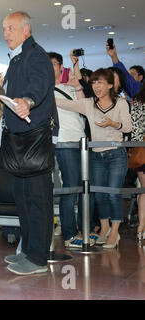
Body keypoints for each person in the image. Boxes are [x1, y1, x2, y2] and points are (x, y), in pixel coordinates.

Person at [0, 12, 57, 275]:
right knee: (22, 199)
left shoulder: (36, 55)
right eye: (4, 29)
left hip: (34, 137)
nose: (6, 33)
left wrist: (29, 101)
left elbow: (40, 84)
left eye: (11, 28)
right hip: (17, 139)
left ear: (26, 30)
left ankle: (38, 259)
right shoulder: (16, 59)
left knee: (38, 199)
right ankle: (27, 251)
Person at [56, 68, 132, 249]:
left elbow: (128, 128)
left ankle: (115, 232)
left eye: (101, 83)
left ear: (110, 85)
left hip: (116, 155)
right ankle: (104, 228)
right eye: (94, 83)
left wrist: (112, 123)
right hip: (96, 155)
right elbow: (64, 104)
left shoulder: (121, 103)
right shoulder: (89, 103)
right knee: (98, 195)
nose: (97, 87)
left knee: (113, 195)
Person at [48, 52, 90, 248]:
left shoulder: (69, 87)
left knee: (82, 188)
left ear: (60, 66)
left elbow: (85, 108)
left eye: (54, 64)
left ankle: (80, 230)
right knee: (70, 188)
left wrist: (78, 85)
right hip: (63, 143)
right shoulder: (43, 91)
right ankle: (69, 233)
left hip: (80, 141)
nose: (50, 67)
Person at [130, 83, 145, 240]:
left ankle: (141, 227)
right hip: (142, 150)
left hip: (140, 151)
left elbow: (134, 130)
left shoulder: (135, 102)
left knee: (144, 190)